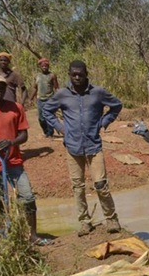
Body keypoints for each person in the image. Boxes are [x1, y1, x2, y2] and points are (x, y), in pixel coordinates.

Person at [42, 60, 123, 236]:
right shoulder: (62, 94)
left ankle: (111, 219)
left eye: (80, 74)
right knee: (77, 187)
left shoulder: (98, 92)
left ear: (86, 74)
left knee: (100, 184)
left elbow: (116, 105)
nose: (77, 77)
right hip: (72, 146)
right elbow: (47, 110)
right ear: (69, 75)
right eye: (74, 74)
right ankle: (85, 222)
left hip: (93, 145)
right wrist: (61, 128)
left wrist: (104, 122)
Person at [0, 75, 48, 245]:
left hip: (14, 163)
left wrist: (11, 142)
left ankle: (33, 235)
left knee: (27, 197)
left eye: (2, 87)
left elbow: (23, 135)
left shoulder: (16, 108)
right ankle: (4, 234)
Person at [29, 58, 59, 138]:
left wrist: (58, 98)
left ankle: (50, 133)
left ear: (48, 66)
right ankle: (46, 131)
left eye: (46, 66)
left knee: (49, 116)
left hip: (50, 99)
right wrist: (30, 99)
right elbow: (35, 88)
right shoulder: (37, 76)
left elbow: (56, 87)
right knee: (41, 118)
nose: (44, 67)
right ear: (40, 67)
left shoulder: (52, 75)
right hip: (40, 99)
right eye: (43, 66)